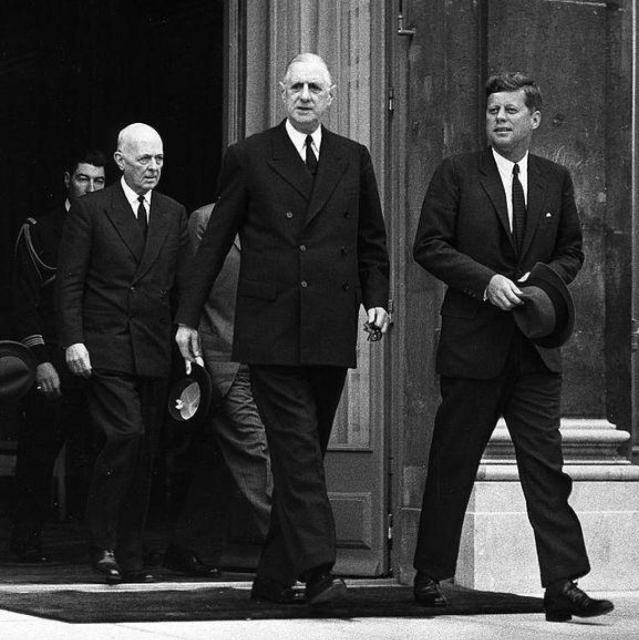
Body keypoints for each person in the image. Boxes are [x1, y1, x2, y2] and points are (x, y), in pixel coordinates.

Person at [175, 53, 390, 607]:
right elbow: (215, 240)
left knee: (305, 455)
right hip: (269, 331)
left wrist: (378, 301)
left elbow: (371, 240)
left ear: (332, 94)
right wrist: (186, 320)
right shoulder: (249, 156)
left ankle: (272, 577)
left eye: (315, 86)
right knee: (295, 451)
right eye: (295, 85)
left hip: (328, 329)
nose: (304, 94)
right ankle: (319, 571)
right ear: (280, 91)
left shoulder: (353, 157)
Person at [411, 71, 614, 622]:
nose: (499, 118)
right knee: (453, 461)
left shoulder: (556, 179)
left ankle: (563, 584)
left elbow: (572, 251)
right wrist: (485, 281)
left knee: (546, 468)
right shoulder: (456, 174)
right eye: (492, 110)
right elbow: (427, 245)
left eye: (510, 110)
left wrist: (543, 281)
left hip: (534, 350)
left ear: (535, 119)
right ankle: (429, 575)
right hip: (472, 347)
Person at [56, 123, 190, 584]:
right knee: (126, 435)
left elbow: (182, 286)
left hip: (153, 349)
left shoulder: (174, 213)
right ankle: (104, 544)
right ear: (119, 161)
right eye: (143, 160)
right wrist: (73, 339)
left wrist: (187, 338)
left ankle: (130, 554)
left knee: (146, 450)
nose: (152, 168)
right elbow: (70, 282)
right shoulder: (92, 211)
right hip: (105, 347)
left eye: (158, 160)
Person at [161, 203, 274, 577]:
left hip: (265, 359)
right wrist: (198, 358)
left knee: (219, 460)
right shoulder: (205, 221)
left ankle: (187, 545)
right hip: (219, 358)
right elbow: (189, 290)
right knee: (256, 451)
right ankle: (294, 556)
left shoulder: (276, 219)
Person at [8, 150, 106, 562]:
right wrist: (41, 359)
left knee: (100, 451)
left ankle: (100, 544)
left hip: (99, 361)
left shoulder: (113, 225)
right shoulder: (41, 231)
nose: (90, 188)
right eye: (83, 179)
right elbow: (23, 301)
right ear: (68, 180)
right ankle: (26, 538)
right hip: (51, 361)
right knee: (39, 452)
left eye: (99, 181)